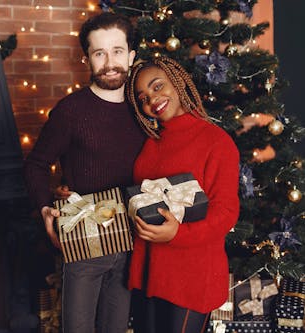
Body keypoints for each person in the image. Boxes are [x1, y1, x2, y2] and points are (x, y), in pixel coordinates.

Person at [23, 12, 146, 333]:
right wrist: (44, 210)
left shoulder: (145, 109)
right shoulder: (70, 112)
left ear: (131, 56)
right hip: (84, 242)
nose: (110, 62)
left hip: (134, 241)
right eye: (99, 53)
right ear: (86, 59)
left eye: (118, 51)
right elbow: (36, 165)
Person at [125, 56, 240, 333]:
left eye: (157, 86)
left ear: (177, 84)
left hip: (192, 274)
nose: (152, 100)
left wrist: (177, 235)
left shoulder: (216, 141)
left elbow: (226, 214)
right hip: (151, 271)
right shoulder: (151, 145)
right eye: (142, 98)